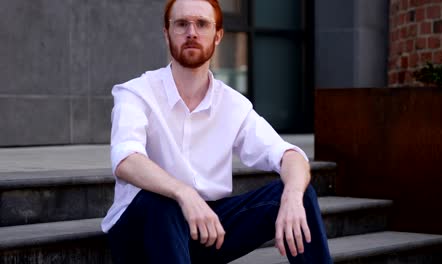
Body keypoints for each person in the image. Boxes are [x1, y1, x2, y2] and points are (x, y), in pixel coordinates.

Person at [101, 0, 332, 263]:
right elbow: (125, 159)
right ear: (167, 34)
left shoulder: (232, 104)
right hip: (141, 232)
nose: (191, 32)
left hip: (206, 230)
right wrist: (184, 192)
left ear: (218, 35)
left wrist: (292, 196)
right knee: (161, 203)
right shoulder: (136, 93)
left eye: (202, 24)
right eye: (181, 24)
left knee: (299, 191)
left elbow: (289, 155)